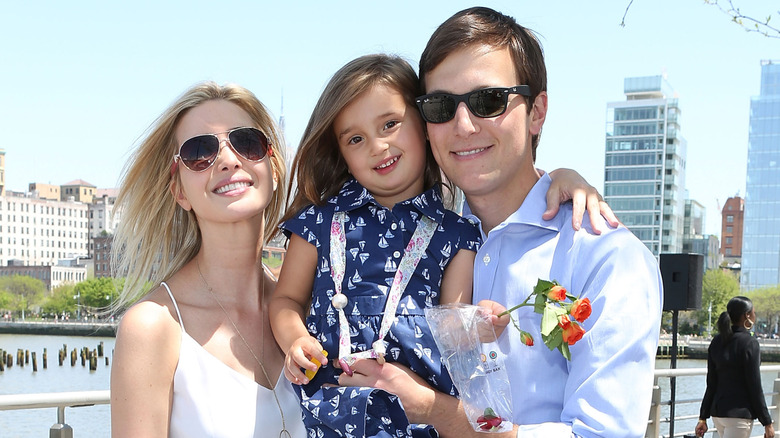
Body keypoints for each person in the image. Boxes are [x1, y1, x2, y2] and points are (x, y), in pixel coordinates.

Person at [337, 7, 664, 438]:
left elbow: (602, 434)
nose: (464, 125)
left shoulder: (606, 257)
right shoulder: (413, 240)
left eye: (488, 101)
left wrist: (438, 411)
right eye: (440, 106)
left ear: (537, 112)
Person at [269, 53, 614, 438]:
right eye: (355, 139)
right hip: (329, 410)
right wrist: (295, 339)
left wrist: (481, 322)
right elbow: (285, 300)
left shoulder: (457, 233)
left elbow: (455, 323)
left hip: (419, 421)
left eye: (390, 124)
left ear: (424, 127)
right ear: (342, 156)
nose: (377, 146)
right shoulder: (319, 222)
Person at [109, 82, 305, 438]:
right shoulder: (153, 327)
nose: (229, 160)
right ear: (179, 191)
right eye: (200, 152)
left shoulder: (305, 310)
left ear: (273, 168)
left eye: (247, 142)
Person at [696, 296, 775, 438]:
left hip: (718, 414)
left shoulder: (717, 341)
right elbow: (754, 385)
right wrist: (767, 423)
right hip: (739, 415)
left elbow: (711, 384)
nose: (755, 316)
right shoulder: (750, 343)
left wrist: (703, 417)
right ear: (747, 315)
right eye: (754, 312)